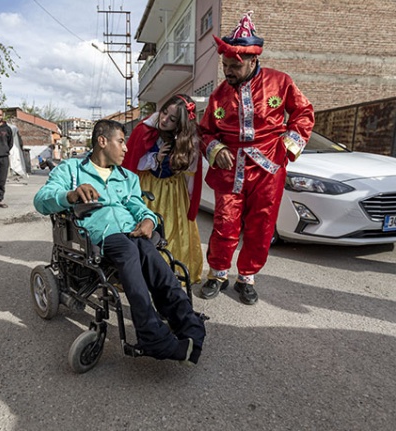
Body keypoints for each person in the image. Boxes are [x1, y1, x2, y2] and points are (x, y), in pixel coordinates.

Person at [33, 119, 205, 365]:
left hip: (131, 230)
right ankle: (151, 335)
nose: (126, 148)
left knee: (155, 260)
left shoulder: (127, 177)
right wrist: (69, 195)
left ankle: (188, 323)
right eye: (121, 141)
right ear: (102, 141)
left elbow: (138, 206)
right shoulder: (71, 169)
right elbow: (41, 200)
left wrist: (148, 220)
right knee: (129, 252)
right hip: (99, 233)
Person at [198, 11, 315, 305]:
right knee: (225, 223)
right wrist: (215, 149)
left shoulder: (280, 82)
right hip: (230, 168)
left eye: (234, 66)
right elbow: (205, 132)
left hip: (268, 167)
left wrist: (287, 147)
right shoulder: (218, 96)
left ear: (252, 61)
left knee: (261, 226)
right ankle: (218, 274)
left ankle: (247, 277)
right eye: (225, 65)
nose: (228, 71)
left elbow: (303, 113)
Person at [122, 94, 204, 285]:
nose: (164, 119)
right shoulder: (145, 129)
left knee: (174, 231)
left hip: (175, 192)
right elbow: (132, 162)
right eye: (164, 112)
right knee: (146, 227)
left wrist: (191, 200)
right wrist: (155, 159)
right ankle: (141, 271)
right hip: (148, 187)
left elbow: (192, 173)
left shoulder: (189, 139)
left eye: (172, 119)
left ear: (180, 124)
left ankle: (169, 271)